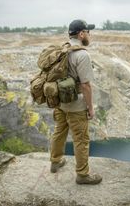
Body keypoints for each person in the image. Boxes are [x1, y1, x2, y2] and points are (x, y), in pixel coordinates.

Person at [50, 19, 102, 185]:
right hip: (76, 105)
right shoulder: (82, 54)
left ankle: (55, 161)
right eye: (88, 32)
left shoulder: (62, 50)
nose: (89, 35)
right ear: (81, 34)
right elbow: (86, 86)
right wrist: (90, 108)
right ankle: (82, 174)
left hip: (60, 102)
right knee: (81, 139)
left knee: (59, 131)